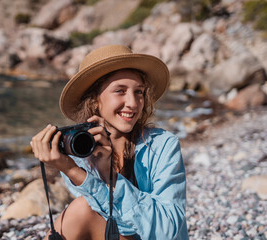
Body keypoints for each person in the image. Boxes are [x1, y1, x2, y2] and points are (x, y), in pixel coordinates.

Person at [31, 45, 188, 240]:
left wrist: (103, 174)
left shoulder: (162, 145)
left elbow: (168, 231)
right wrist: (68, 166)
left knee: (81, 210)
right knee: (81, 210)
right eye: (120, 91)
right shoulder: (80, 151)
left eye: (138, 92)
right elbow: (104, 220)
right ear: (95, 100)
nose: (132, 102)